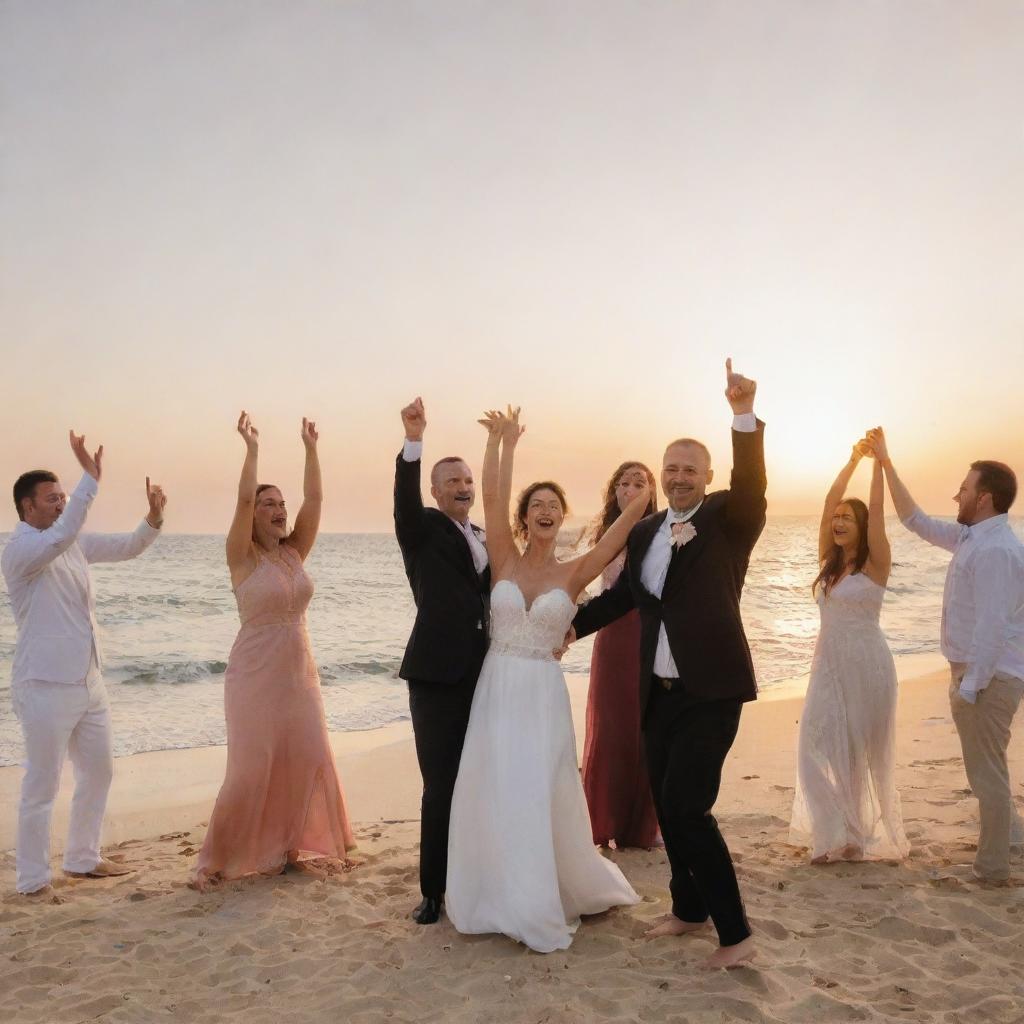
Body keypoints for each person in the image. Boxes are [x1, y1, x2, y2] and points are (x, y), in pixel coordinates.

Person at [572, 359, 764, 969]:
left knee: (687, 807)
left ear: (707, 476)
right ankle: (687, 909)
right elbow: (628, 596)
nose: (679, 478)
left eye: (690, 469)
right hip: (656, 693)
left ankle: (735, 933)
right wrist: (572, 627)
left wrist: (741, 415)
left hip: (712, 691)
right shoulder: (648, 529)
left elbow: (754, 482)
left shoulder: (730, 520)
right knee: (666, 797)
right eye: (671, 469)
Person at [445, 406, 648, 953]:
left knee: (539, 788)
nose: (546, 511)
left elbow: (613, 544)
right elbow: (491, 495)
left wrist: (641, 501)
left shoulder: (574, 571)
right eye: (537, 505)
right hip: (498, 687)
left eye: (554, 507)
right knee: (495, 783)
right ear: (525, 518)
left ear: (562, 519)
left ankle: (540, 893)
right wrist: (501, 443)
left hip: (541, 693)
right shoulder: (505, 560)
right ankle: (494, 889)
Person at [193, 412, 355, 887]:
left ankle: (289, 848)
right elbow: (242, 497)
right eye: (269, 504)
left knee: (304, 758)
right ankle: (217, 861)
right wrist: (251, 449)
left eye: (281, 503)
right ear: (254, 514)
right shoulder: (241, 558)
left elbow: (316, 498)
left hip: (299, 677)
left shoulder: (294, 551)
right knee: (249, 769)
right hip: (254, 677)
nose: (278, 509)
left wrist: (311, 449)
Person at [2, 431, 166, 895]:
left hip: (87, 681)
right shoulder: (20, 552)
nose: (60, 505)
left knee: (98, 772)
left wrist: (153, 519)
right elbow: (65, 533)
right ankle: (33, 880)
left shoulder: (70, 543)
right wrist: (90, 480)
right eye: (52, 499)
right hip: (43, 687)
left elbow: (127, 546)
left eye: (64, 498)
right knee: (42, 786)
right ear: (27, 508)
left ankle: (82, 858)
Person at [873, 426, 1024, 883]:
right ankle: (1010, 841)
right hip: (982, 673)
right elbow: (913, 519)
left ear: (984, 499)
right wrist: (886, 462)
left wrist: (970, 688)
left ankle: (993, 869)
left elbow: (993, 627)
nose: (956, 494)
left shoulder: (997, 549)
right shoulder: (970, 538)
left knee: (987, 777)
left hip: (990, 676)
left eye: (963, 488)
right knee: (990, 767)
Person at [393, 397, 491, 925]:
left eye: (467, 479)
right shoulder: (421, 527)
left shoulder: (484, 536)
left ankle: (476, 874)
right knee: (441, 783)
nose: (462, 486)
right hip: (435, 677)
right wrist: (414, 440)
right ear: (435, 490)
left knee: (481, 777)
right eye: (451, 480)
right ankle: (433, 891)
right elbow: (403, 500)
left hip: (486, 673)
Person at [790, 438, 909, 864]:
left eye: (846, 517)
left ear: (861, 527)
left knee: (856, 756)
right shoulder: (830, 562)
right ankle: (833, 830)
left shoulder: (875, 564)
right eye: (836, 517)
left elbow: (878, 513)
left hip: (867, 665)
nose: (838, 521)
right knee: (812, 748)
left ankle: (850, 840)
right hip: (827, 666)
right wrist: (852, 459)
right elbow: (827, 501)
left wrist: (878, 463)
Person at [579, 461, 660, 849]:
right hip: (611, 639)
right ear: (614, 492)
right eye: (623, 483)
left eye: (638, 482)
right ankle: (603, 820)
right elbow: (596, 587)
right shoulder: (605, 535)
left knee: (643, 725)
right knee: (609, 725)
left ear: (650, 490)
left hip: (648, 636)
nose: (630, 488)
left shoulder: (661, 532)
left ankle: (641, 826)